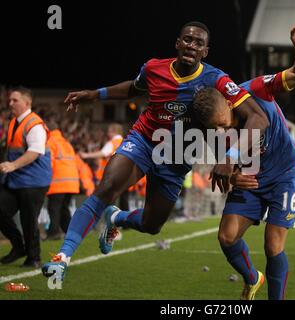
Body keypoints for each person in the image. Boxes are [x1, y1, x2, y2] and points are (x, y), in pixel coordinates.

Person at [42, 21, 268, 284]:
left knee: (152, 225)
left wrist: (231, 158)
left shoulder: (216, 79)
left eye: (198, 43)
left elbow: (258, 118)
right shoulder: (153, 68)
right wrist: (95, 94)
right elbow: (133, 88)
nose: (191, 45)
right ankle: (62, 258)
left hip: (176, 158)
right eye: (187, 39)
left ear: (205, 51)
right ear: (177, 43)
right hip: (144, 141)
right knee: (107, 187)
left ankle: (117, 218)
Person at [192, 24, 295, 300]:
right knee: (227, 237)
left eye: (222, 123)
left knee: (273, 245)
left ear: (228, 101)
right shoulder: (215, 132)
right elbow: (226, 167)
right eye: (215, 129)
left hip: (286, 172)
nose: (221, 132)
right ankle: (252, 279)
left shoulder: (256, 90)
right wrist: (232, 177)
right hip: (253, 177)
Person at [0, 87, 52, 268]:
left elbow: (35, 152)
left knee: (28, 219)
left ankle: (34, 258)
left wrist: (12, 165)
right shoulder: (15, 122)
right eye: (10, 100)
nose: (10, 103)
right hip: (17, 179)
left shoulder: (34, 124)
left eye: (15, 100)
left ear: (27, 103)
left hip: (34, 181)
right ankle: (19, 246)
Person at [44, 117, 80, 240]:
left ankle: (53, 233)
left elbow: (49, 164)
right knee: (64, 209)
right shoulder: (66, 143)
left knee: (54, 209)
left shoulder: (49, 142)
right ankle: (71, 233)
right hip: (72, 183)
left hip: (58, 182)